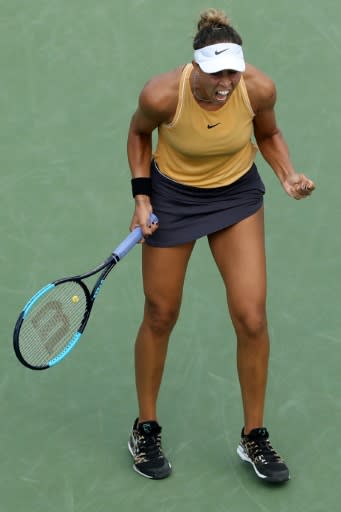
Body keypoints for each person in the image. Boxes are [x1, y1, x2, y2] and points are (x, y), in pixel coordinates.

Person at [126, 8, 315, 483]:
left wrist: (287, 174)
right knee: (160, 313)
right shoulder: (162, 94)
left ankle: (254, 436)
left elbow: (267, 133)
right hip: (174, 196)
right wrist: (142, 198)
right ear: (197, 68)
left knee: (252, 317)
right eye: (216, 74)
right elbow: (138, 135)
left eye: (232, 70)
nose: (226, 82)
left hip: (236, 195)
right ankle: (144, 428)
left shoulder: (259, 87)